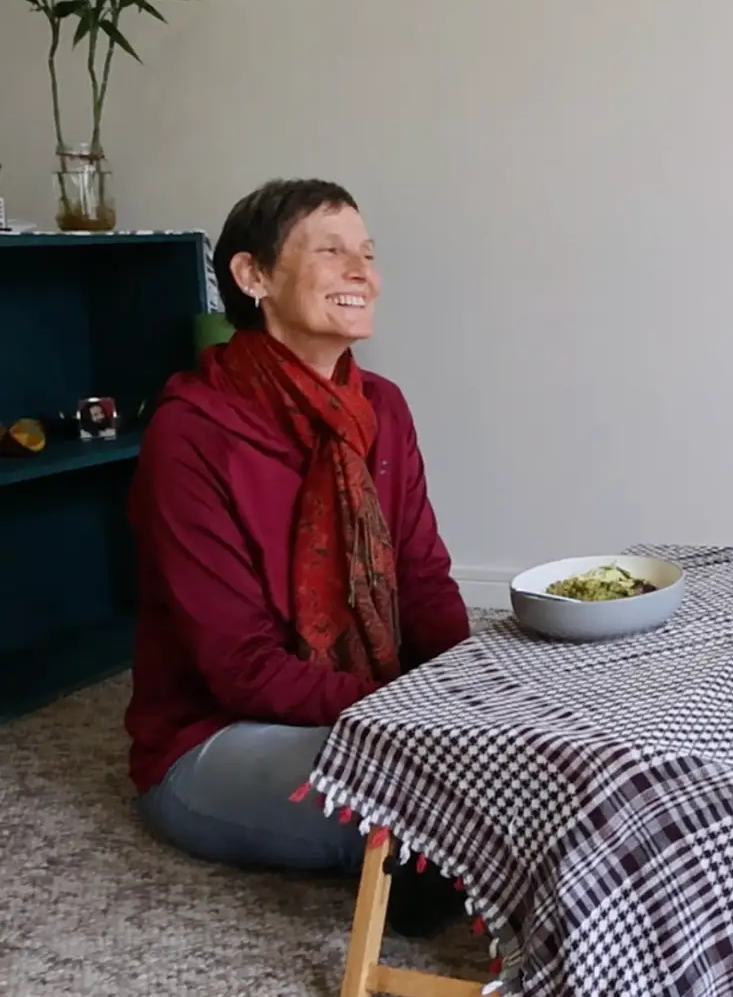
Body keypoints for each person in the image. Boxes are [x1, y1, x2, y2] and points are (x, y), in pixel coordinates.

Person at [124, 178, 472, 935]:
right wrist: (412, 721)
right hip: (210, 739)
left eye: (368, 254)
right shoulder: (191, 434)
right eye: (331, 250)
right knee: (455, 795)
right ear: (253, 278)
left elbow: (421, 579)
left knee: (518, 763)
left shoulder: (382, 406)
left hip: (367, 708)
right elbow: (237, 666)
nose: (363, 272)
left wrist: (476, 699)